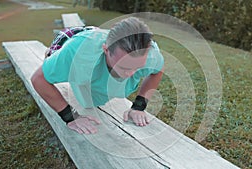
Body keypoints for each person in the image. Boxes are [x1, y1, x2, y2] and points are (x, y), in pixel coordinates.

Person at [31, 17, 164, 134]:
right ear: (106, 50)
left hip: (96, 38)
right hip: (71, 38)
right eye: (124, 67)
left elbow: (158, 71)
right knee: (56, 65)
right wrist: (70, 117)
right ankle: (50, 54)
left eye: (137, 67)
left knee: (92, 101)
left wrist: (139, 106)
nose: (130, 74)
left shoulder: (151, 55)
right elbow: (38, 79)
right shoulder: (77, 51)